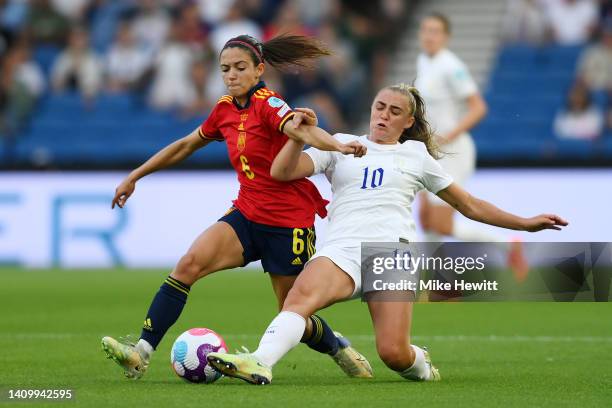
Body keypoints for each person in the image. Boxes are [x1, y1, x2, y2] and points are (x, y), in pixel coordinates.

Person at [205, 84, 568, 385]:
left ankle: (422, 366)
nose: (384, 114)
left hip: (391, 254)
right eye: (380, 106)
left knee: (394, 355)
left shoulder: (416, 155)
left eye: (395, 111)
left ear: (408, 121)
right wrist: (299, 136)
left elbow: (469, 205)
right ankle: (259, 362)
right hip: (341, 250)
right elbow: (283, 172)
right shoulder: (340, 144)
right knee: (297, 300)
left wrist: (525, 223)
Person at [101, 34, 372, 380]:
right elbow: (185, 145)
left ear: (259, 69)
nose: (231, 75)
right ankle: (140, 352)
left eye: (240, 68)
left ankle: (338, 347)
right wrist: (135, 175)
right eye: (225, 69)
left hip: (288, 224)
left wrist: (338, 145)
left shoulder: (269, 103)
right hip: (245, 214)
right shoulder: (224, 110)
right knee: (188, 265)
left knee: (292, 315)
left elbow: (303, 131)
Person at [415, 13, 528, 281]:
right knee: (428, 221)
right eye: (425, 30)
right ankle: (437, 284)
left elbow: (479, 108)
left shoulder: (450, 66)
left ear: (446, 37)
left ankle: (507, 245)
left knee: (440, 222)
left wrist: (447, 136)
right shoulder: (424, 62)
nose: (429, 36)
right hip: (433, 151)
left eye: (435, 31)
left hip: (453, 151)